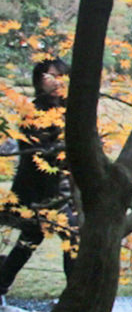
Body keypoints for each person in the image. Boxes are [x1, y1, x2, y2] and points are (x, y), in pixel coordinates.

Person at [0, 58, 78, 298]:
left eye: (59, 75)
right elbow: (37, 152)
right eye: (49, 76)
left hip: (67, 186)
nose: (55, 81)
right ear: (39, 80)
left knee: (38, 237)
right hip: (39, 188)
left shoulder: (72, 110)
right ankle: (75, 295)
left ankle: (2, 281)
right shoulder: (31, 111)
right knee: (68, 236)